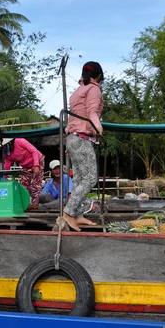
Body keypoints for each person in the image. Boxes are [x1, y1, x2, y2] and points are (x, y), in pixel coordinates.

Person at [62, 61, 104, 232]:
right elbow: (92, 112)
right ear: (99, 76)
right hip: (81, 137)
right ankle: (69, 212)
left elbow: (75, 116)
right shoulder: (93, 89)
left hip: (72, 138)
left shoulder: (77, 91)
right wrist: (98, 128)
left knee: (79, 179)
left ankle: (77, 215)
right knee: (90, 178)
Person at [2, 137, 45, 208]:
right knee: (23, 184)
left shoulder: (20, 141)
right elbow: (7, 166)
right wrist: (5, 178)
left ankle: (35, 204)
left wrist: (36, 165)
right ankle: (25, 204)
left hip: (37, 161)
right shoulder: (8, 153)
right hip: (26, 166)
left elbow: (34, 150)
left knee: (35, 185)